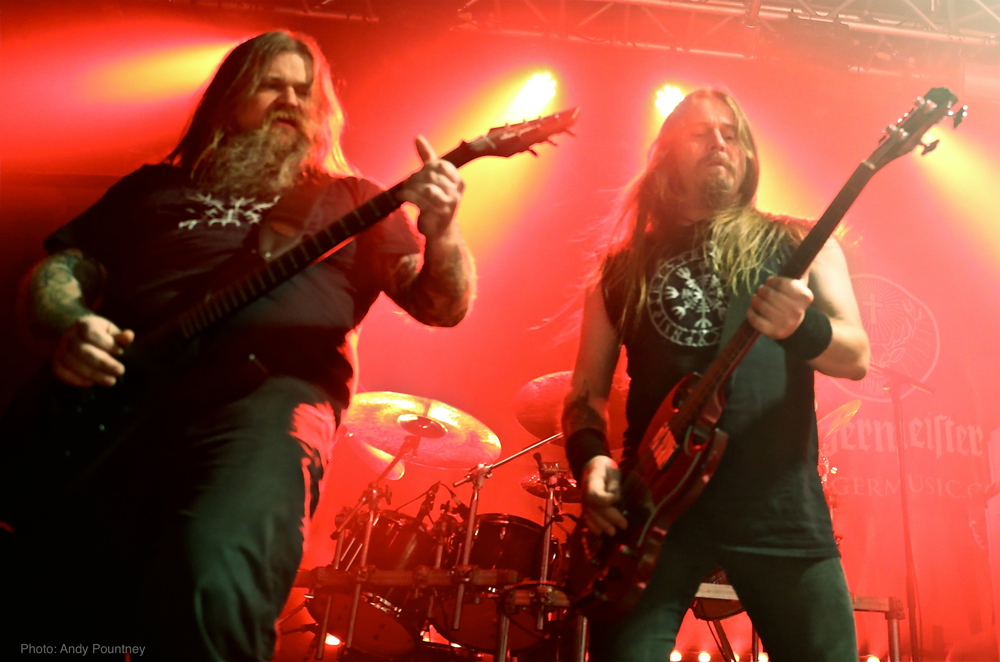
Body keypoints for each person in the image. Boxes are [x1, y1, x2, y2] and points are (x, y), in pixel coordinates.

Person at [8, 31, 473, 661]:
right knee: (64, 612)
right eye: (271, 85)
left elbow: (440, 305)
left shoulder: (352, 199)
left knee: (213, 575)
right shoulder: (152, 189)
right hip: (120, 409)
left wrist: (442, 232)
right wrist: (71, 323)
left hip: (267, 402)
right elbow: (63, 269)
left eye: (304, 92)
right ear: (228, 100)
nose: (290, 101)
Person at [561, 89, 870, 661]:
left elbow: (855, 357)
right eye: (701, 133)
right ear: (667, 156)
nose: (719, 143)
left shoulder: (797, 244)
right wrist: (591, 459)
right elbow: (585, 394)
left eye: (731, 134)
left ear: (749, 156)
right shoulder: (621, 269)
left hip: (777, 501)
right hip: (655, 508)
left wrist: (800, 328)